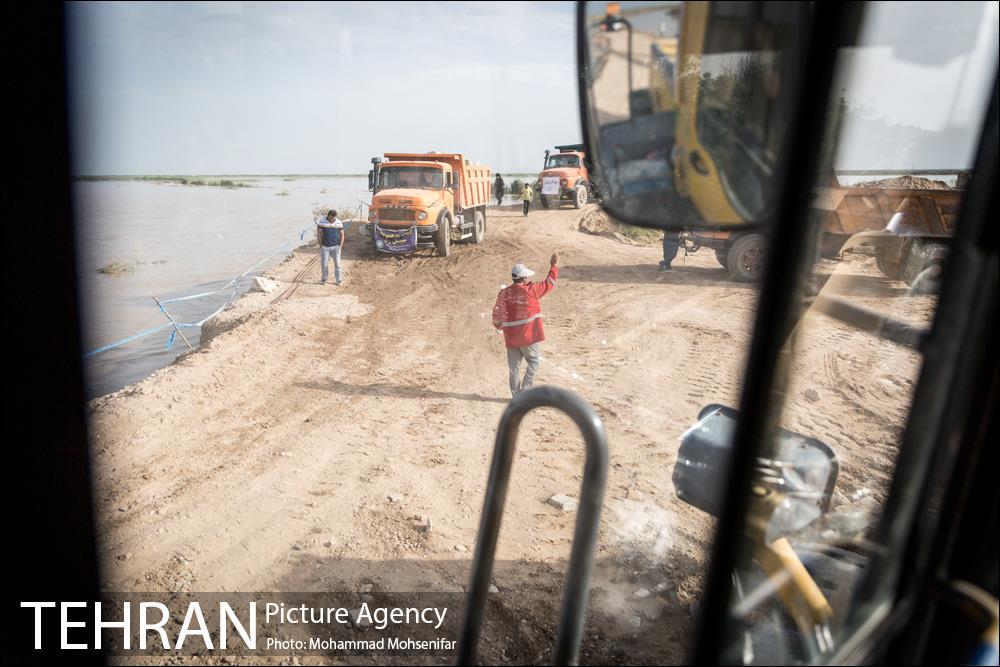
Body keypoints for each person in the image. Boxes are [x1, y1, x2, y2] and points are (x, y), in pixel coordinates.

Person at [492, 251, 560, 397]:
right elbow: (550, 283)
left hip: (511, 339)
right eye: (527, 276)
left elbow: (497, 317)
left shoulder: (503, 294)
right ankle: (526, 389)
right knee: (534, 362)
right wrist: (553, 266)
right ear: (523, 278)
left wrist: (499, 327)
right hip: (528, 336)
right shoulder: (532, 291)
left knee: (514, 369)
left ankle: (516, 396)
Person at [315, 209, 345, 285]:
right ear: (328, 215)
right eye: (331, 217)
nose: (332, 219)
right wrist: (320, 245)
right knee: (324, 264)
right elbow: (318, 234)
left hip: (336, 247)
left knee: (337, 264)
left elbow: (342, 235)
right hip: (325, 247)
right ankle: (324, 278)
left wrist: (340, 246)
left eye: (334, 218)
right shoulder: (322, 221)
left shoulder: (339, 222)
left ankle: (339, 280)